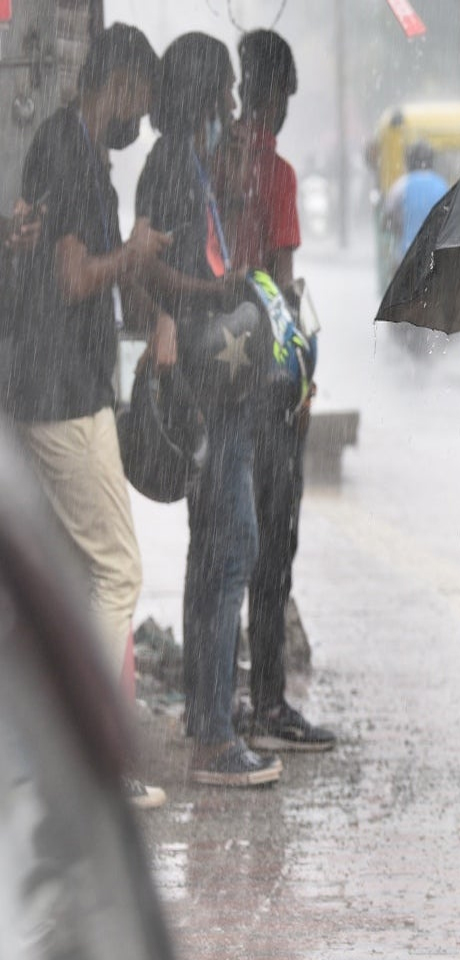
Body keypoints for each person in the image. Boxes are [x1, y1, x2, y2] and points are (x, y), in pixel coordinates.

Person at [5, 23, 174, 810]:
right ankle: (87, 765)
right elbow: (76, 278)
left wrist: (148, 297)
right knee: (118, 570)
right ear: (119, 82)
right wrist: (134, 254)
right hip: (65, 395)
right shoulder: (69, 152)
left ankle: (41, 754)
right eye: (140, 94)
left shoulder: (74, 153)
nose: (142, 111)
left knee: (74, 577)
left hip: (58, 387)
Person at [135, 32, 281, 787]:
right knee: (232, 548)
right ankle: (217, 737)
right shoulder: (169, 166)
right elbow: (154, 265)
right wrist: (210, 296)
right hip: (207, 382)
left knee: (214, 552)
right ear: (197, 92)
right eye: (221, 90)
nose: (231, 104)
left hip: (217, 380)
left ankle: (204, 714)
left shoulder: (192, 162)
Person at [223, 28, 335, 752]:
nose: (288, 109)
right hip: (264, 376)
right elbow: (285, 287)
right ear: (274, 92)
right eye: (288, 95)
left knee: (224, 541)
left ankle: (219, 695)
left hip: (216, 370)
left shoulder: (214, 154)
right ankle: (269, 702)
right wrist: (300, 384)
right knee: (272, 541)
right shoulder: (275, 170)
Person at [384, 140, 447, 268]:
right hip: (435, 255)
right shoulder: (443, 186)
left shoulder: (401, 185)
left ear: (410, 161)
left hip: (407, 255)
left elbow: (387, 219)